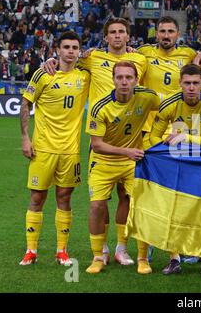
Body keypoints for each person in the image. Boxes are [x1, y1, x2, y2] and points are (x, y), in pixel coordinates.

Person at [44, 18, 148, 265]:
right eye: (112, 32)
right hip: (100, 139)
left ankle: (121, 248)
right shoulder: (91, 58)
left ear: (128, 36)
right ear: (106, 36)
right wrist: (50, 61)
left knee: (127, 197)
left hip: (131, 138)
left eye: (122, 31)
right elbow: (67, 60)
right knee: (99, 203)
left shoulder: (140, 60)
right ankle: (101, 249)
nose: (117, 36)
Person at [19, 31, 90, 266]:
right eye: (66, 47)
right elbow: (25, 103)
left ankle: (61, 251)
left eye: (75, 47)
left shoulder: (85, 75)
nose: (70, 51)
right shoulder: (43, 74)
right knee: (37, 197)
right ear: (57, 50)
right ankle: (31, 250)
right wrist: (25, 138)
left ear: (79, 51)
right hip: (43, 149)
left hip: (70, 150)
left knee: (64, 197)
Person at [85, 61, 160, 274]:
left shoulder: (147, 96)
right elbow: (96, 145)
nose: (124, 82)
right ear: (113, 79)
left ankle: (134, 255)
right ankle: (98, 256)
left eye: (129, 77)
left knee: (137, 205)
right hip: (103, 161)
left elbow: (169, 106)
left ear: (136, 80)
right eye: (119, 77)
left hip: (131, 162)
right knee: (97, 207)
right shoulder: (100, 106)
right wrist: (126, 151)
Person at [149, 63, 201, 277]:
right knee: (175, 209)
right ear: (180, 83)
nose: (191, 87)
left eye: (196, 83)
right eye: (187, 83)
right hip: (178, 163)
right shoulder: (169, 104)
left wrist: (185, 138)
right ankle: (174, 258)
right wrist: (165, 143)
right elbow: (154, 136)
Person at [137, 16, 197, 149]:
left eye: (170, 31)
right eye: (162, 31)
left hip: (177, 126)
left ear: (178, 34)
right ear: (156, 34)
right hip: (147, 124)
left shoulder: (189, 54)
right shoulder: (144, 52)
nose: (166, 35)